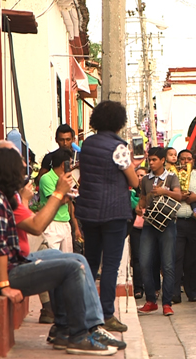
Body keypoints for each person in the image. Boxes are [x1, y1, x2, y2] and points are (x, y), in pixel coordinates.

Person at [0, 147, 118, 355]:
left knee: (69, 257)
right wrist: (4, 285)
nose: (24, 174)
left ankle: (67, 329)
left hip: (14, 263)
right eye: (20, 169)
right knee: (72, 267)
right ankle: (79, 335)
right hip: (1, 276)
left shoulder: (0, 197)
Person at [75, 100, 142, 332]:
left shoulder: (87, 144)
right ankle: (107, 314)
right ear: (119, 122)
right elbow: (133, 180)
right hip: (114, 212)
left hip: (89, 212)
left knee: (91, 262)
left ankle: (86, 312)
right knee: (111, 265)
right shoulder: (119, 147)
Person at [137, 147, 183, 316]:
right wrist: (138, 206)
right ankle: (151, 300)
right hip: (149, 223)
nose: (151, 162)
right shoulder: (145, 180)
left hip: (167, 223)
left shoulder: (171, 177)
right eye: (150, 160)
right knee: (144, 262)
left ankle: (166, 303)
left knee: (168, 264)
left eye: (155, 160)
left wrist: (165, 191)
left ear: (163, 160)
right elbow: (142, 200)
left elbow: (179, 196)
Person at [172, 149, 196, 303]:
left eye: (189, 159)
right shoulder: (172, 175)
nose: (185, 161)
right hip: (177, 221)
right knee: (176, 258)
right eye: (182, 159)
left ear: (193, 161)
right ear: (178, 161)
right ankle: (174, 292)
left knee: (195, 259)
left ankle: (193, 292)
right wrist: (179, 196)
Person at [39, 148, 80, 252]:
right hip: (52, 224)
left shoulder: (65, 180)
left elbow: (69, 204)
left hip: (65, 223)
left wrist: (75, 227)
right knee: (52, 259)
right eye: (70, 164)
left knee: (68, 259)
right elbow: (55, 200)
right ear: (63, 164)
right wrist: (70, 195)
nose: (71, 167)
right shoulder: (46, 178)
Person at [130, 167, 148, 299]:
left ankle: (152, 287)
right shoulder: (130, 193)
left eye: (142, 175)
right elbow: (133, 206)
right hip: (135, 229)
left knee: (151, 258)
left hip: (150, 228)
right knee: (136, 259)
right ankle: (138, 288)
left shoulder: (152, 191)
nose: (140, 178)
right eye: (138, 175)